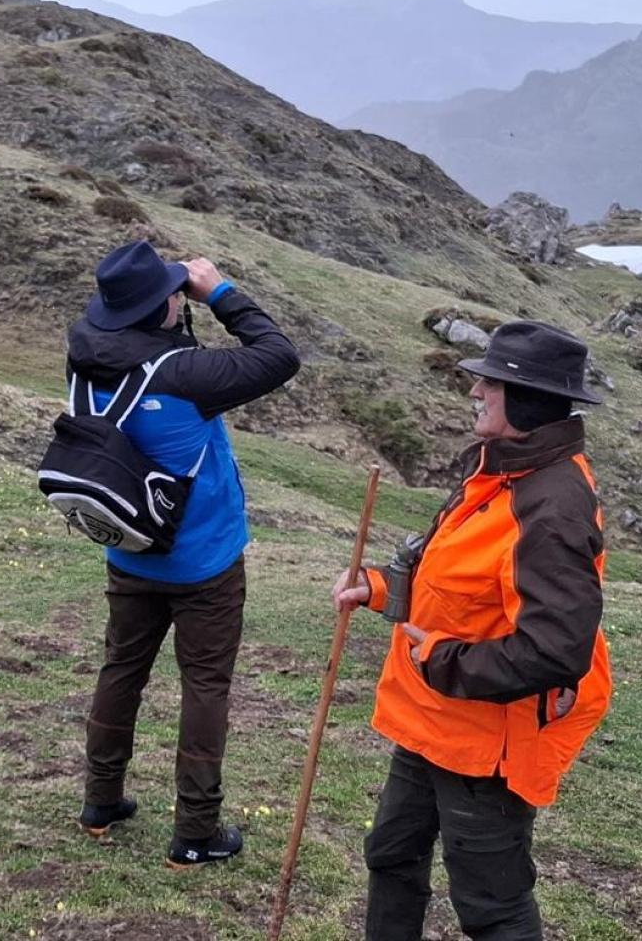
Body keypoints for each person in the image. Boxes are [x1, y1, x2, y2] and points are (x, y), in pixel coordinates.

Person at [332, 321, 613, 940]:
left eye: (489, 381)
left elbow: (556, 651)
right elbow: (462, 583)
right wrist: (380, 589)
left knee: (491, 902)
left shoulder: (553, 505)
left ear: (524, 397)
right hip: (433, 719)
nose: (475, 391)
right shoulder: (500, 472)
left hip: (487, 742)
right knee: (391, 854)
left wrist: (441, 661)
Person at [68, 240, 300, 863]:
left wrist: (168, 311)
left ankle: (101, 800)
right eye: (172, 293)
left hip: (129, 549)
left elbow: (141, 347)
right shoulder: (184, 376)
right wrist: (219, 292)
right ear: (163, 307)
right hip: (204, 561)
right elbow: (278, 356)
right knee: (205, 686)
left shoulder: (83, 354)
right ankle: (195, 832)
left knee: (122, 669)